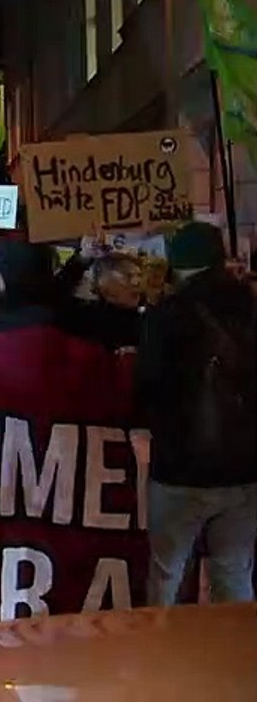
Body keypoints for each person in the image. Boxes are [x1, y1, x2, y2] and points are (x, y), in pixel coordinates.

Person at [137, 222, 257, 606]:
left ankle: (157, 658)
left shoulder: (166, 316)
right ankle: (236, 660)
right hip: (245, 469)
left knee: (166, 574)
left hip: (180, 471)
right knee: (234, 573)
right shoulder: (250, 307)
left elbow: (147, 390)